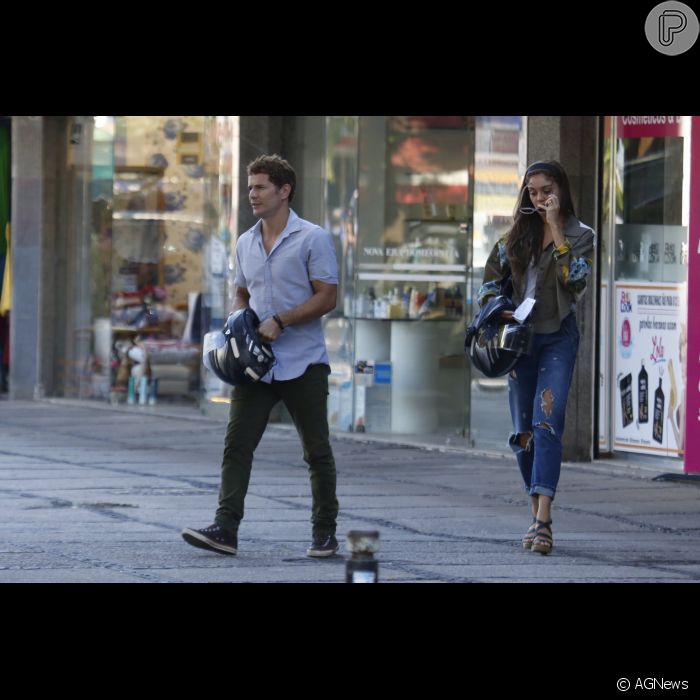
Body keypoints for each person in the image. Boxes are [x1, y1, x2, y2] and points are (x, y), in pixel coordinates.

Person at [182, 154, 340, 557]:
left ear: (284, 191)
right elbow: (242, 290)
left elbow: (327, 297)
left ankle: (324, 532)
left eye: (260, 187)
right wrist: (239, 314)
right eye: (250, 187)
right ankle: (225, 528)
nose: (252, 194)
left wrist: (282, 320)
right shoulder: (245, 242)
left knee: (316, 452)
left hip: (303, 361)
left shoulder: (312, 238)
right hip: (254, 366)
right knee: (237, 445)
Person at [478, 160, 595, 555]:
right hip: (518, 341)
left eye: (547, 190)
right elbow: (489, 281)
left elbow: (576, 281)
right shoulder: (515, 236)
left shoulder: (581, 236)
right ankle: (534, 514)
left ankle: (543, 519)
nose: (539, 198)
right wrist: (498, 306)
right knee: (523, 433)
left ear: (561, 190)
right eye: (532, 191)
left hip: (558, 338)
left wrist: (557, 227)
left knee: (548, 424)